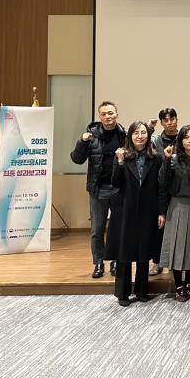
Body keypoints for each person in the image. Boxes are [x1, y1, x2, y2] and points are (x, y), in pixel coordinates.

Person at [107, 121, 161, 307]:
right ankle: (122, 293)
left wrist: (161, 211)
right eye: (136, 133)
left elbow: (160, 187)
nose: (140, 136)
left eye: (143, 132)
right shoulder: (121, 155)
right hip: (125, 209)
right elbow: (116, 183)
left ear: (148, 135)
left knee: (143, 250)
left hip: (147, 209)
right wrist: (120, 162)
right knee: (124, 251)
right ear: (130, 136)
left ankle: (142, 290)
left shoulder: (156, 157)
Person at [70, 101, 126, 278]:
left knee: (117, 228)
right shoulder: (91, 137)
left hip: (118, 189)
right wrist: (82, 141)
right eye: (104, 114)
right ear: (100, 117)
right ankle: (99, 263)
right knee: (97, 230)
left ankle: (115, 262)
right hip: (98, 189)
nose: (108, 117)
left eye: (111, 113)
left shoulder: (124, 135)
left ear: (116, 115)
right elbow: (77, 159)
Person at [158, 124, 190, 302]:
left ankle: (189, 283)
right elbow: (163, 182)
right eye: (186, 137)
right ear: (180, 140)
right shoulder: (173, 159)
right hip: (178, 206)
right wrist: (166, 160)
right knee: (178, 246)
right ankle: (179, 285)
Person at [148, 107, 179, 275]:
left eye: (172, 119)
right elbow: (141, 143)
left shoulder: (184, 137)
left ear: (177, 120)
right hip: (160, 187)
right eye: (166, 120)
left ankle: (178, 261)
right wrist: (150, 127)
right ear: (161, 123)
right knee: (159, 226)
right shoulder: (156, 140)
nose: (169, 123)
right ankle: (157, 262)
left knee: (178, 227)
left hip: (180, 187)